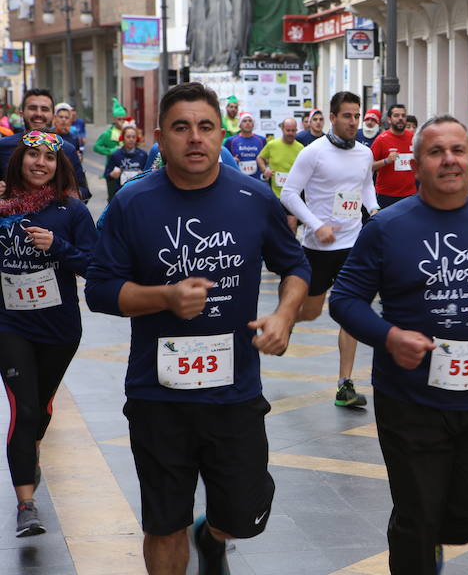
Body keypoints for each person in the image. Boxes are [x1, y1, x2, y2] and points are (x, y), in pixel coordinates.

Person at [85, 82, 311, 575]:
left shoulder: (252, 197)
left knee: (242, 517)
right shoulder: (132, 202)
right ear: (160, 138)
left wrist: (284, 315)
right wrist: (163, 297)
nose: (195, 138)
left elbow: (296, 267)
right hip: (157, 393)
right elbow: (99, 290)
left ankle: (212, 536)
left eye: (205, 127)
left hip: (235, 393)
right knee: (163, 523)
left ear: (221, 134)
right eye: (181, 128)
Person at [329, 114, 468, 575]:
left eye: (458, 151)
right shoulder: (387, 227)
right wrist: (389, 336)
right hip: (411, 402)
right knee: (417, 518)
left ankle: (430, 536)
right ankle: (418, 543)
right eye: (436, 152)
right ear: (417, 163)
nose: (449, 161)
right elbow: (344, 300)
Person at [0, 131, 98, 537]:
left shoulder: (71, 212)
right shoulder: (2, 207)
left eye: (49, 159)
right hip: (10, 326)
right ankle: (27, 504)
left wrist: (57, 245)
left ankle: (30, 452)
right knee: (23, 410)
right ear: (20, 159)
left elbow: (95, 266)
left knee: (38, 409)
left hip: (59, 329)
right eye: (33, 155)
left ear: (60, 167)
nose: (40, 163)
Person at [281, 92, 379, 408]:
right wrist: (315, 225)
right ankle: (283, 323)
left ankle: (344, 385)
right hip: (318, 247)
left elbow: (364, 186)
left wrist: (375, 211)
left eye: (357, 116)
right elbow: (289, 194)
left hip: (353, 244)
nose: (353, 122)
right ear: (333, 118)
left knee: (350, 314)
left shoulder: (364, 153)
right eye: (347, 116)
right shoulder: (314, 153)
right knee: (309, 311)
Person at [0, 89, 90, 202]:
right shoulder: (3, 146)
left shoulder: (67, 149)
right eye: (32, 108)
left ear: (53, 116)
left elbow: (83, 190)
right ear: (22, 113)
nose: (38, 114)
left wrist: (70, 194)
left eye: (44, 109)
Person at [257, 118, 303, 233]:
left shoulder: (301, 148)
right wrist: (264, 169)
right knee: (276, 226)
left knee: (292, 226)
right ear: (282, 129)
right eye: (288, 130)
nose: (290, 133)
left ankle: (291, 249)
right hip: (275, 194)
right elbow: (260, 158)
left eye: (293, 130)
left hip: (293, 194)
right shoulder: (272, 145)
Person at [370, 104, 417, 208]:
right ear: (389, 119)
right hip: (387, 195)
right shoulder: (381, 140)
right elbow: (369, 166)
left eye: (403, 116)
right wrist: (386, 161)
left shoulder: (413, 138)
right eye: (396, 115)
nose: (400, 118)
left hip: (410, 194)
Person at [94, 98, 129, 203]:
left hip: (127, 170)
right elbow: (96, 147)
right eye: (119, 119)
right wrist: (110, 151)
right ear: (114, 119)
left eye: (124, 119)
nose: (122, 122)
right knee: (113, 199)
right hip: (112, 170)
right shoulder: (107, 134)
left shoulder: (129, 132)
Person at [103, 124, 148, 196]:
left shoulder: (143, 155)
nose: (131, 139)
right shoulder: (116, 155)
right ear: (122, 138)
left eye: (133, 137)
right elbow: (106, 175)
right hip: (121, 193)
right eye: (128, 137)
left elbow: (150, 175)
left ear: (137, 139)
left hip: (138, 193)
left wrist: (143, 174)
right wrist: (112, 174)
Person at [224, 112, 267, 180]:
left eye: (250, 121)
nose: (247, 123)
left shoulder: (261, 140)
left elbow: (266, 159)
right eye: (244, 121)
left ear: (253, 124)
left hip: (257, 179)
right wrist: (232, 159)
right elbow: (224, 159)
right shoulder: (231, 141)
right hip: (237, 178)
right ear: (240, 124)